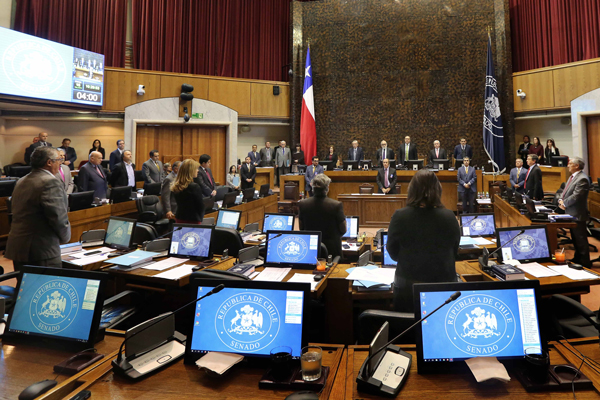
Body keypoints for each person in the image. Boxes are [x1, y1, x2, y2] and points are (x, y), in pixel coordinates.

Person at [386, 169, 460, 312]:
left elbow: (393, 253)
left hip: (407, 288)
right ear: (438, 189)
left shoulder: (400, 216)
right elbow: (454, 251)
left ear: (412, 190)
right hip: (443, 290)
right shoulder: (449, 216)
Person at [5, 146, 71, 271]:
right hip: (41, 250)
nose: (60, 163)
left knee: (25, 288)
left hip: (19, 248)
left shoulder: (21, 180)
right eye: (58, 160)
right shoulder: (50, 182)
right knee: (47, 289)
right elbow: (58, 218)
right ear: (49, 162)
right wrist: (66, 238)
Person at [298, 174, 347, 259]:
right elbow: (343, 229)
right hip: (332, 251)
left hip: (310, 249)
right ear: (327, 188)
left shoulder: (303, 204)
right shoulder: (336, 205)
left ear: (312, 188)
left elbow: (301, 228)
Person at [558, 157, 591, 268]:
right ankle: (577, 258)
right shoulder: (573, 177)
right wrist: (560, 200)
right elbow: (566, 191)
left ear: (577, 166)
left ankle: (585, 262)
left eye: (570, 163)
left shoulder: (582, 179)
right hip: (571, 212)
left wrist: (565, 203)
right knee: (575, 238)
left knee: (580, 239)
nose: (568, 165)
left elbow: (577, 196)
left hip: (578, 213)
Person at [172, 159, 205, 224]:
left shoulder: (176, 185)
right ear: (190, 171)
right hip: (193, 220)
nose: (198, 170)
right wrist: (200, 218)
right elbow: (200, 206)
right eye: (196, 169)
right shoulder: (194, 186)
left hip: (179, 218)